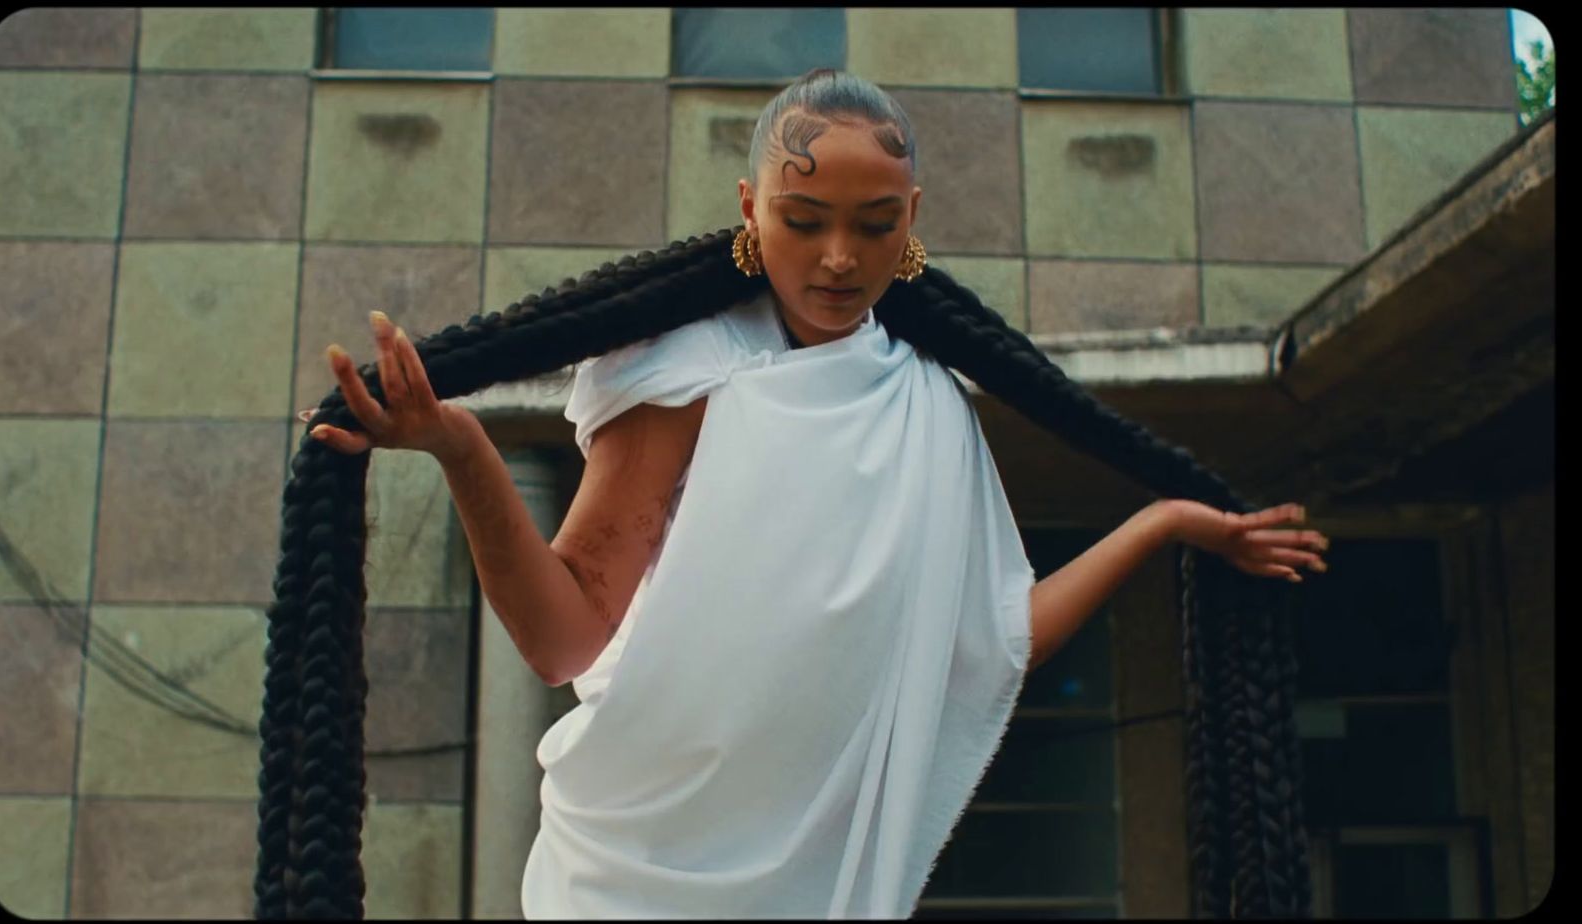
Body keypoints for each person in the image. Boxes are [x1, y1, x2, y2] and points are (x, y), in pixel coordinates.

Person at [274, 69, 1329, 919]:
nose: (837, 257)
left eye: (873, 225)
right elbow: (565, 641)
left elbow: (984, 644)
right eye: (803, 217)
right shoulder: (690, 372)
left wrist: (1161, 525)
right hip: (639, 876)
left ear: (911, 218)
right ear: (750, 209)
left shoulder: (922, 402)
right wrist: (463, 448)